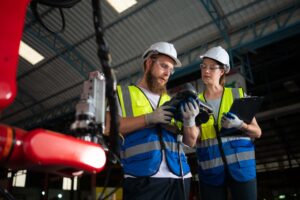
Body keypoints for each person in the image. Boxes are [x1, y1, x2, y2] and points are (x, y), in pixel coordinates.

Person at [106, 42, 200, 200]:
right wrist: (148, 119)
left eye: (171, 70)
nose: (167, 74)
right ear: (149, 63)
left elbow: (190, 142)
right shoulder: (123, 95)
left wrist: (190, 122)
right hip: (142, 177)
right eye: (164, 66)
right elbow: (109, 128)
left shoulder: (171, 100)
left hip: (180, 177)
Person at [196, 46, 262, 200]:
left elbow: (257, 132)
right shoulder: (196, 102)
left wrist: (241, 125)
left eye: (212, 67)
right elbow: (194, 139)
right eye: (203, 66)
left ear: (223, 71)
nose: (206, 71)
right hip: (210, 170)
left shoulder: (237, 95)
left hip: (242, 169)